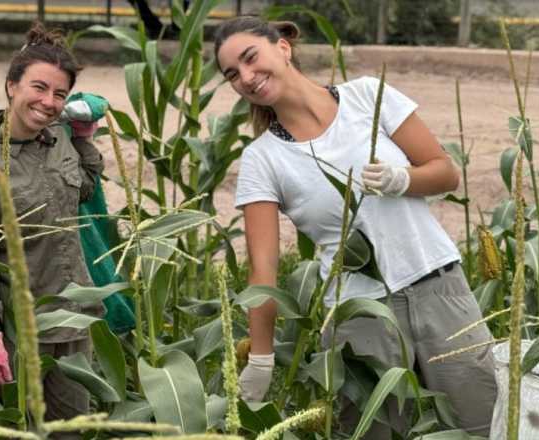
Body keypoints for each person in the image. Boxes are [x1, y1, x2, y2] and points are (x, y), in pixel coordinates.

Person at [213, 16, 497, 438]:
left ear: (283, 48)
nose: (247, 78)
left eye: (250, 59)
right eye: (233, 75)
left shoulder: (368, 96)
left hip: (439, 290)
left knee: (481, 426)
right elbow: (263, 272)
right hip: (358, 318)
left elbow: (444, 173)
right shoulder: (262, 159)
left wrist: (402, 179)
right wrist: (260, 356)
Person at [0, 22, 104, 431]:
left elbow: (85, 192)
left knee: (71, 430)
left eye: (60, 94)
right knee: (15, 429)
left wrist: (83, 139)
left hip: (75, 319)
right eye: (38, 88)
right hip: (20, 332)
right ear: (11, 86)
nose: (49, 102)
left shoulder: (59, 140)